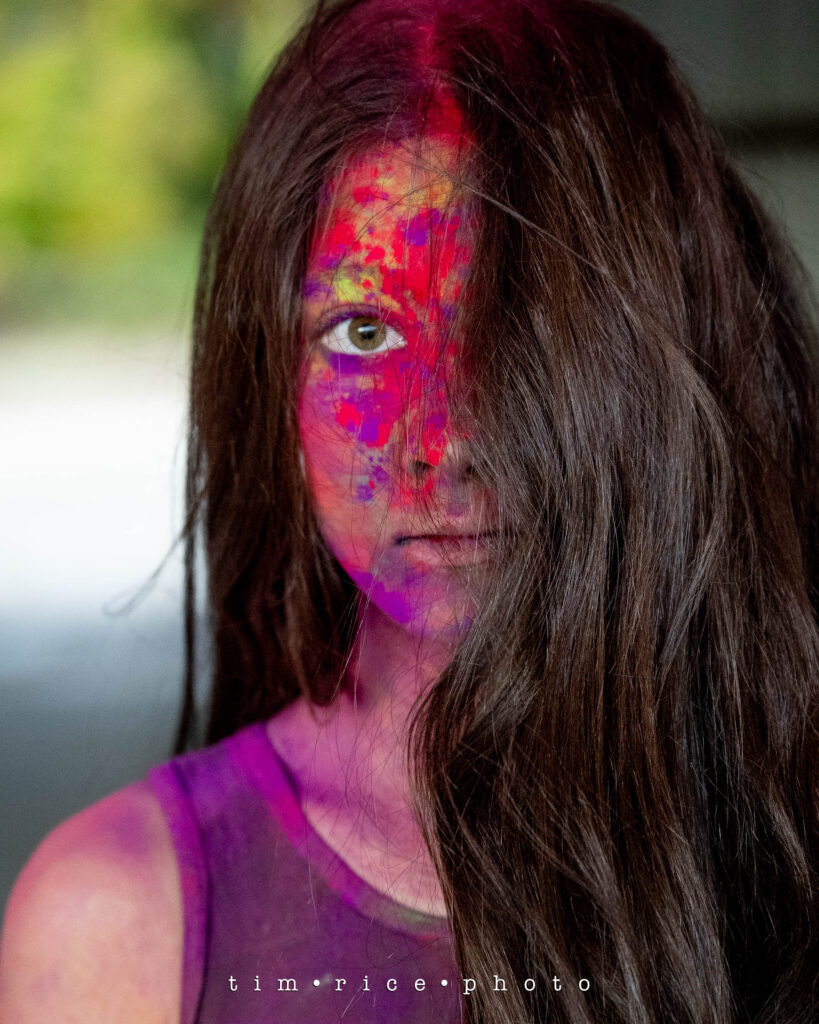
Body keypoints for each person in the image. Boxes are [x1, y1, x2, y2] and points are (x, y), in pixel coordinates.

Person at [1, 0, 817, 1021]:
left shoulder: (787, 836)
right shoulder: (120, 926)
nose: (444, 439)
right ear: (269, 381)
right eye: (364, 333)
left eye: (516, 324)